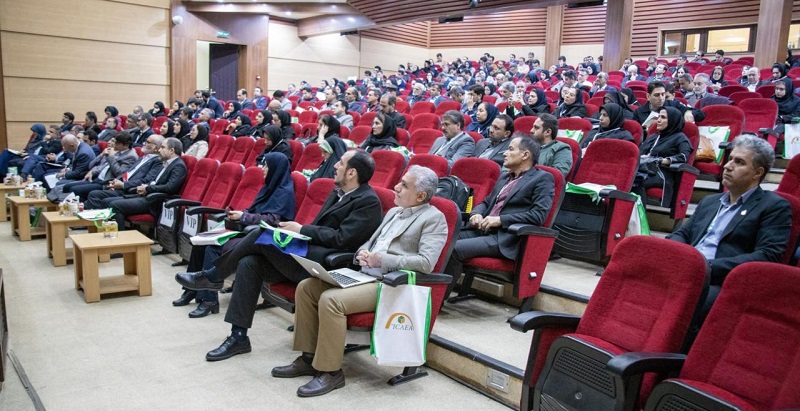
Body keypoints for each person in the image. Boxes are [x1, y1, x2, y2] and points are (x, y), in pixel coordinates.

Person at [174, 150, 383, 362]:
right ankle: (238, 337)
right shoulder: (337, 193)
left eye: (341, 163)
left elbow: (342, 239)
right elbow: (321, 230)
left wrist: (301, 230)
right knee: (249, 262)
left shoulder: (368, 202)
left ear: (351, 173)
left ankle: (213, 276)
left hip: (328, 267)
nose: (335, 165)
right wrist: (295, 232)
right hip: (308, 255)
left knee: (259, 233)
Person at [270, 165, 447, 397]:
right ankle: (308, 358)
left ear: (421, 196)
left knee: (331, 300)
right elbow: (372, 242)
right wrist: (362, 253)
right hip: (365, 274)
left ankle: (331, 371)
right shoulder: (394, 212)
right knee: (307, 287)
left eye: (404, 185)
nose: (396, 187)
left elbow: (426, 263)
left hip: (390, 284)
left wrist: (381, 260)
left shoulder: (434, 219)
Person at [667, 135, 790, 325]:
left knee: (682, 304)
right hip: (687, 269)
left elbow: (767, 255)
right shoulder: (710, 201)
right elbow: (682, 233)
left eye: (739, 162)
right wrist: (677, 255)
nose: (727, 166)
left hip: (720, 280)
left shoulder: (774, 206)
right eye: (730, 159)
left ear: (757, 173)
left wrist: (706, 267)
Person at [174, 153, 296, 318]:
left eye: (267, 166)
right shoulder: (268, 187)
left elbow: (273, 221)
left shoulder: (284, 193)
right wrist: (240, 214)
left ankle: (209, 300)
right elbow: (255, 210)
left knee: (212, 248)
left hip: (261, 238)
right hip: (247, 231)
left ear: (276, 169)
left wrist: (244, 217)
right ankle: (191, 290)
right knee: (201, 243)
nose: (262, 168)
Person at [444, 136, 555, 294]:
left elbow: (538, 215)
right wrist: (476, 213)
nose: (504, 153)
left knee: (455, 249)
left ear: (525, 155)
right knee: (442, 238)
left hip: (505, 237)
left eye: (510, 149)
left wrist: (501, 220)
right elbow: (486, 202)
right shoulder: (505, 177)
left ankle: (436, 301)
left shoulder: (542, 178)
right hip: (482, 230)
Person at [107, 138, 187, 229]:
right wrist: (144, 187)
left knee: (115, 206)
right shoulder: (166, 162)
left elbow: (170, 188)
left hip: (156, 201)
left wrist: (147, 188)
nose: (159, 150)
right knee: (107, 201)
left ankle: (120, 236)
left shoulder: (178, 166)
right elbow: (155, 181)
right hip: (148, 195)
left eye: (162, 147)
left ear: (171, 150)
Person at [632, 107, 692, 206]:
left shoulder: (680, 138)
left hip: (661, 173)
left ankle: (640, 213)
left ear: (672, 120)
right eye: (659, 117)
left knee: (637, 180)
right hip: (644, 168)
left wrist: (663, 160)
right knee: (627, 176)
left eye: (663, 117)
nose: (658, 120)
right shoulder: (654, 136)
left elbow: (684, 156)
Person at [84, 136, 165, 210]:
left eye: (147, 142)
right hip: (122, 185)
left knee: (95, 195)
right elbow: (128, 173)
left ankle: (97, 220)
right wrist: (116, 181)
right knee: (91, 197)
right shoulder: (144, 157)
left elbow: (146, 180)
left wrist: (123, 185)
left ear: (156, 147)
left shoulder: (157, 161)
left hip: (131, 190)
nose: (144, 143)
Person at [62, 132, 138, 201]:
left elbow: (120, 173)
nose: (114, 144)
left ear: (126, 145)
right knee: (67, 187)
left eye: (117, 143)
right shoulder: (118, 150)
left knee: (74, 190)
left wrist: (111, 157)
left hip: (105, 183)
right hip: (96, 178)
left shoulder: (131, 156)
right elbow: (91, 165)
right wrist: (101, 155)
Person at [531, 113, 572, 178]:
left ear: (548, 132)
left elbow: (557, 175)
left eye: (536, 128)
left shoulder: (561, 149)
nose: (531, 130)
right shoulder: (528, 145)